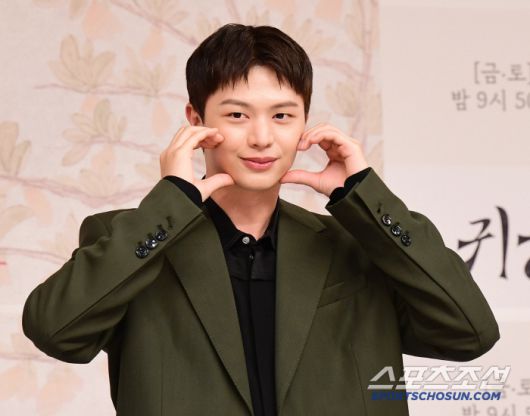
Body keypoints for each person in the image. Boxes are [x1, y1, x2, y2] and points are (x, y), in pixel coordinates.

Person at [22, 23, 500, 416]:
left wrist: (365, 197)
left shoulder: (357, 245)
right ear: (195, 120)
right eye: (237, 115)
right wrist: (170, 203)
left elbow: (470, 333)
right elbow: (56, 332)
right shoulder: (131, 239)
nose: (261, 138)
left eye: (283, 116)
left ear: (305, 121)